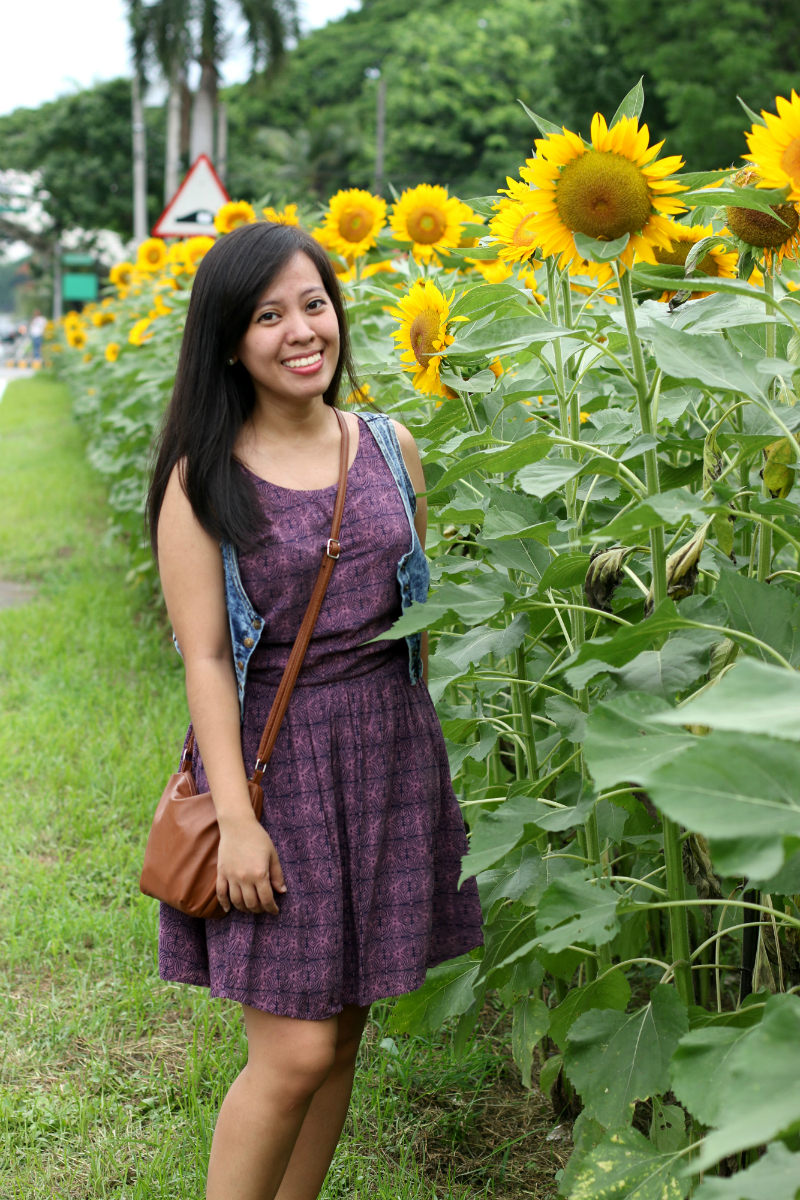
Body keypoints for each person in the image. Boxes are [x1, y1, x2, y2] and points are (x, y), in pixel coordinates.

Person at [146, 220, 484, 1200]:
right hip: (275, 769)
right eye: (267, 314)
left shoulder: (388, 444)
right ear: (227, 340)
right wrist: (239, 824)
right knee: (291, 1052)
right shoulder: (202, 480)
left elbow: (413, 604)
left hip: (388, 759)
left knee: (339, 1035)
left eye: (313, 304)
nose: (301, 330)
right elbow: (207, 659)